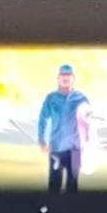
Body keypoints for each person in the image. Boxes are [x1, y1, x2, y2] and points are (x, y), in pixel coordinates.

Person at [36, 61, 91, 194]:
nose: (65, 77)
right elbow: (42, 119)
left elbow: (88, 123)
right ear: (58, 78)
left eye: (68, 74)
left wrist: (88, 145)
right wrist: (42, 141)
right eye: (62, 74)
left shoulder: (81, 98)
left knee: (73, 187)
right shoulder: (51, 98)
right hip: (56, 149)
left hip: (75, 150)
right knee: (54, 186)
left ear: (73, 78)